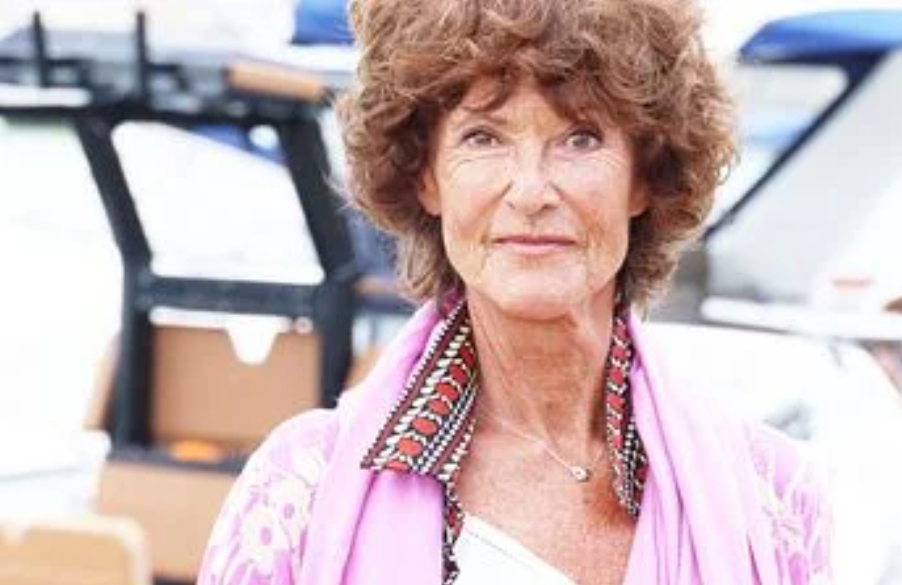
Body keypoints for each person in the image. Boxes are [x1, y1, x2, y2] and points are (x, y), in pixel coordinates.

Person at [198, 1, 832, 584]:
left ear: (646, 175)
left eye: (581, 137)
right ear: (426, 176)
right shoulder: (299, 496)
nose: (531, 191)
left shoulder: (772, 498)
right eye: (484, 137)